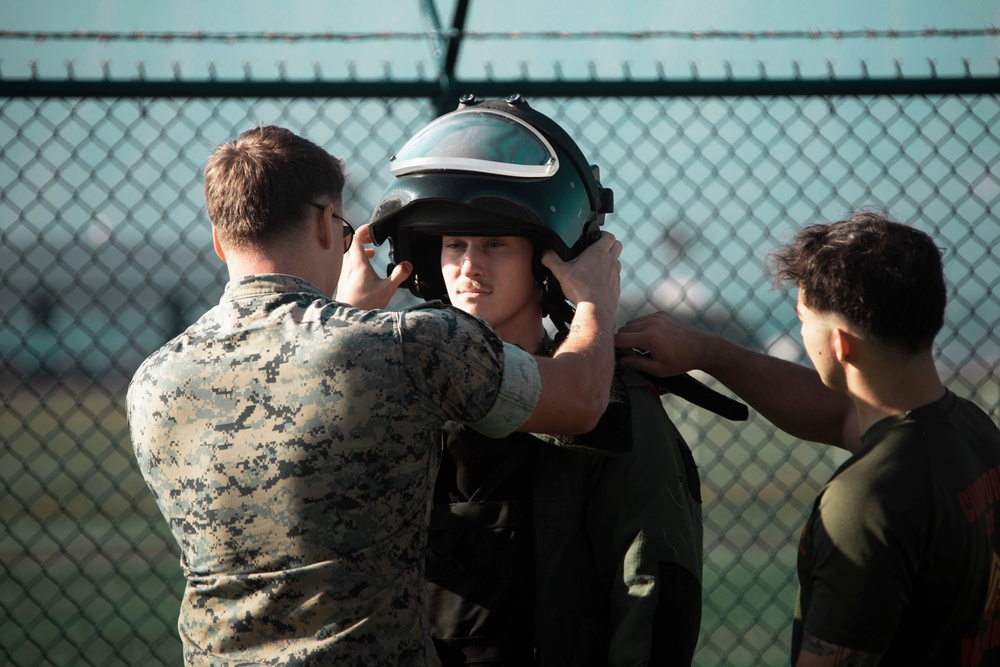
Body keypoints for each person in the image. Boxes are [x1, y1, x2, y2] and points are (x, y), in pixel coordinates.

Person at [125, 123, 624, 666]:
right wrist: (595, 301)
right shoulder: (403, 348)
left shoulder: (154, 380)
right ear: (324, 222)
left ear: (220, 239)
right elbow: (581, 399)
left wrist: (352, 316)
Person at [369, 94, 704, 666]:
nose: (468, 266)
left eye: (495, 244)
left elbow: (650, 587)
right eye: (454, 245)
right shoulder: (397, 397)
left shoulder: (616, 412)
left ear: (546, 263)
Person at [615, 211, 1000, 667]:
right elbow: (837, 412)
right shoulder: (972, 429)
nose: (801, 331)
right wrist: (707, 351)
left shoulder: (865, 503)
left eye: (803, 318)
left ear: (840, 344)